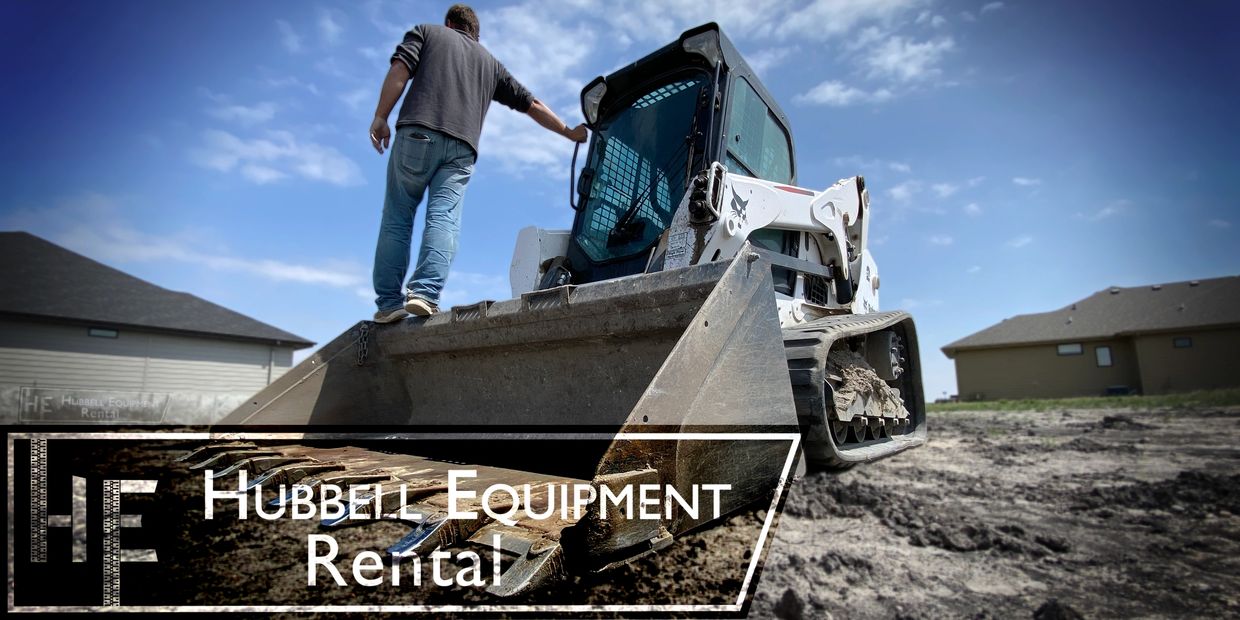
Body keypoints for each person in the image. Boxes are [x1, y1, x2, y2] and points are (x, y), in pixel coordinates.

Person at [368, 4, 588, 323]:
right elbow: (533, 104)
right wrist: (568, 132)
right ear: (475, 33)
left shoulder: (427, 33)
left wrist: (381, 116)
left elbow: (400, 69)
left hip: (417, 133)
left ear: (450, 23)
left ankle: (390, 303)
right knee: (443, 216)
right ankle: (425, 293)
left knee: (398, 216)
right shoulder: (490, 63)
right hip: (461, 147)